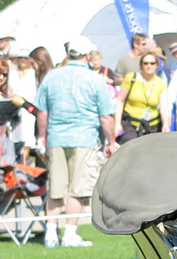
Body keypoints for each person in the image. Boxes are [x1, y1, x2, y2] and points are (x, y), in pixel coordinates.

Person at [34, 36, 116, 248]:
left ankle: (51, 233)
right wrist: (111, 141)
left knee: (56, 187)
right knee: (78, 189)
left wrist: (41, 136)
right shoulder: (95, 79)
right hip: (84, 138)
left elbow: (42, 111)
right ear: (87, 55)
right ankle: (70, 234)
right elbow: (106, 116)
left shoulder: (52, 77)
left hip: (56, 137)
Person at [114, 50, 166, 141]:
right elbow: (120, 101)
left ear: (157, 65)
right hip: (131, 125)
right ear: (141, 65)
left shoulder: (160, 83)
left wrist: (166, 124)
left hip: (152, 126)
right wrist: (117, 123)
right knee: (131, 150)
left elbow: (164, 107)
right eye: (145, 63)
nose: (149, 66)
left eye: (152, 63)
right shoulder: (131, 78)